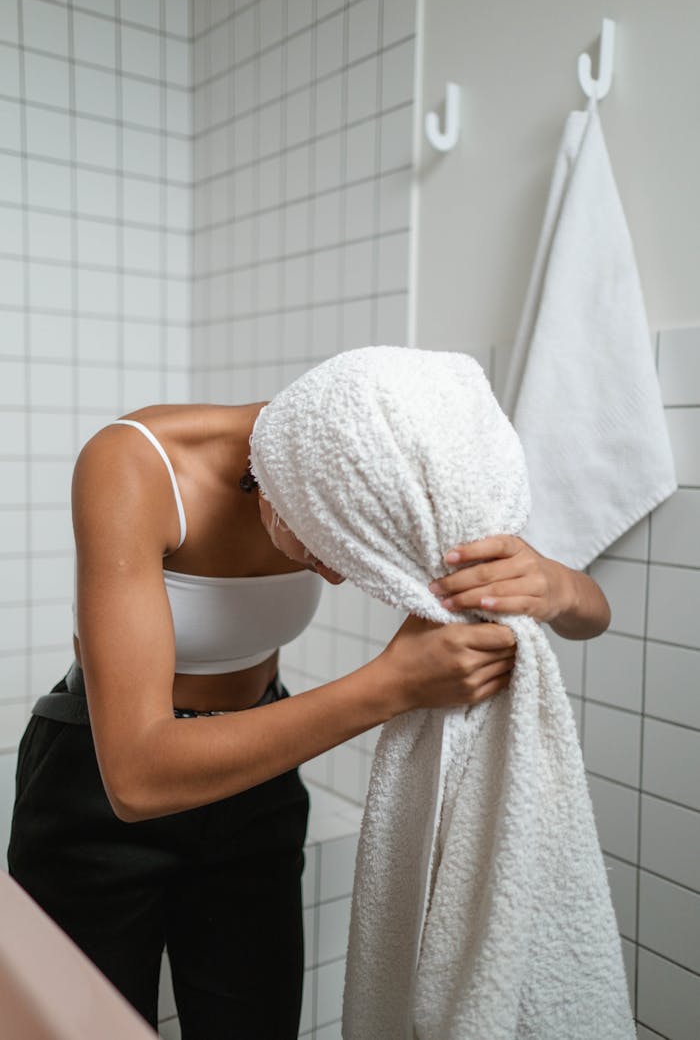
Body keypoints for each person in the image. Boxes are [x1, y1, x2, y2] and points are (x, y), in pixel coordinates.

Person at [8, 391, 610, 1040]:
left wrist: (554, 583)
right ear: (284, 473)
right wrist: (390, 686)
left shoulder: (372, 457)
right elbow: (136, 779)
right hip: (95, 789)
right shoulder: (134, 462)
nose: (332, 575)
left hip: (254, 790)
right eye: (324, 544)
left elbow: (591, 615)